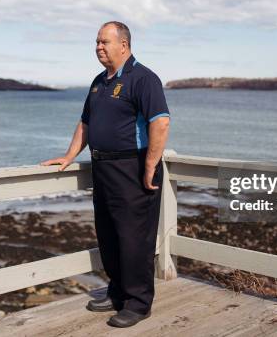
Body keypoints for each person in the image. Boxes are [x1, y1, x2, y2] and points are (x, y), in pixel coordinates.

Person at [41, 21, 170, 328]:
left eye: (104, 42)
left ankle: (138, 303)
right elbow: (86, 122)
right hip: (103, 168)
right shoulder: (99, 81)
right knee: (109, 235)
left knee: (134, 238)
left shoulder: (144, 79)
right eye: (96, 42)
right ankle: (118, 292)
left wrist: (150, 165)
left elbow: (160, 123)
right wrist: (70, 155)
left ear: (123, 45)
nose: (98, 47)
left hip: (133, 168)